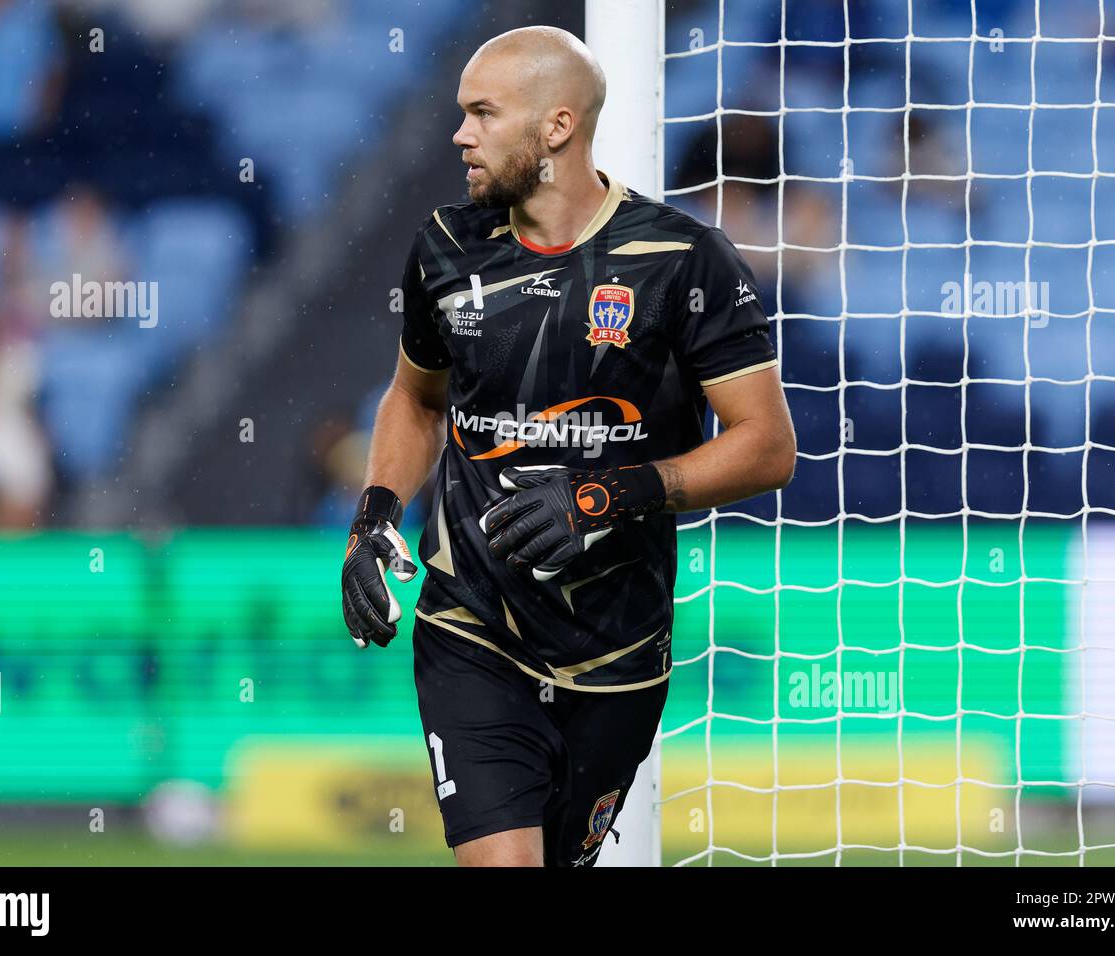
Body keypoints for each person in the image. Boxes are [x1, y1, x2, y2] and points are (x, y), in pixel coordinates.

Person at [340, 26, 796, 867]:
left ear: (555, 128)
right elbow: (415, 398)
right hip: (469, 623)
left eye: (482, 113)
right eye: (460, 113)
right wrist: (374, 517)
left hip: (617, 649)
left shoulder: (683, 262)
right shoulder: (446, 246)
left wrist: (603, 495)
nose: (460, 134)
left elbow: (767, 447)